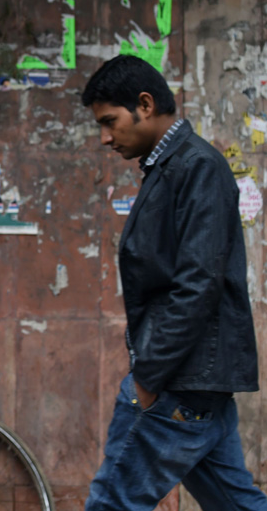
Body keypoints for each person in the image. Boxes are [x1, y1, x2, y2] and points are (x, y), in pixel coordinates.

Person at [82, 54, 267, 510]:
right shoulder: (170, 166)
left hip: (176, 380)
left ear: (145, 105)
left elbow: (197, 282)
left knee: (112, 503)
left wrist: (149, 376)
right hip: (194, 380)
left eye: (110, 121)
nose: (105, 137)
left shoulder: (195, 166)